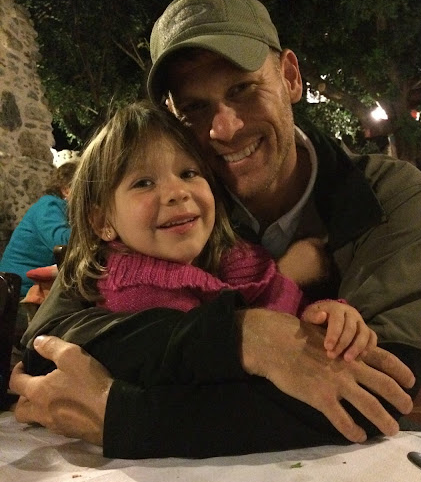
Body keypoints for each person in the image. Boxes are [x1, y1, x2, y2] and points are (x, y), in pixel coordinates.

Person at [10, 0, 421, 460]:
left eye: (243, 89)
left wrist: (126, 415)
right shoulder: (175, 213)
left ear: (290, 77)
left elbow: (381, 391)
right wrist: (242, 336)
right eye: (195, 109)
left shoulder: (386, 194)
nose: (225, 128)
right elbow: (49, 344)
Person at [60, 100, 376, 370]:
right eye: (143, 183)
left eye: (188, 173)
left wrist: (325, 317)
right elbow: (237, 365)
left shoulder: (232, 258)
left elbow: (283, 316)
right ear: (101, 222)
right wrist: (291, 285)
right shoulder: (138, 294)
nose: (177, 192)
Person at [0, 161, 77, 298]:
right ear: (66, 190)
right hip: (17, 290)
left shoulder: (63, 210)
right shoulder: (48, 205)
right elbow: (63, 241)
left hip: (30, 284)